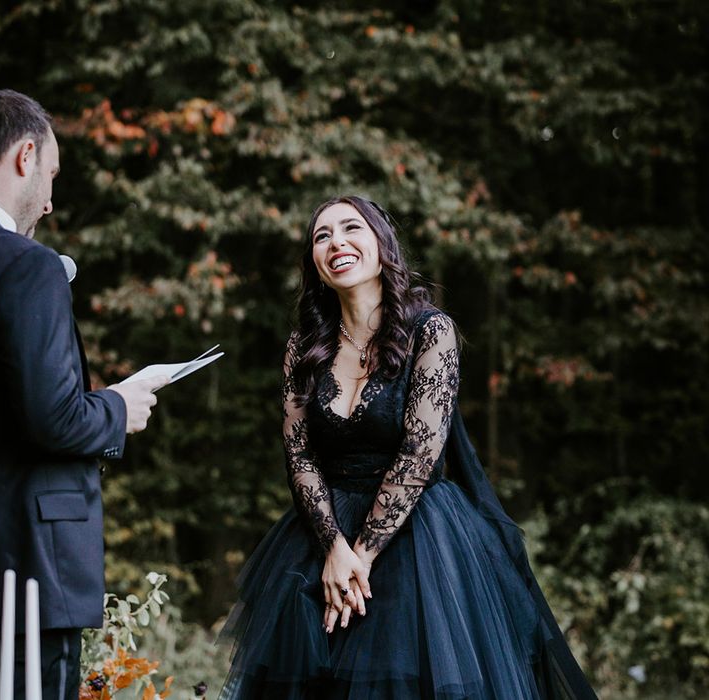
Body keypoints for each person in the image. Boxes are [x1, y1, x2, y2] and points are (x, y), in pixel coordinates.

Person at [219, 195, 598, 699]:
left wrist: (362, 558)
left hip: (419, 539)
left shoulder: (430, 331)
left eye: (351, 228)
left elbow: (420, 451)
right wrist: (334, 550)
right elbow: (299, 453)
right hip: (321, 533)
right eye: (322, 235)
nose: (337, 242)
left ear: (381, 243)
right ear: (314, 260)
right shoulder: (304, 345)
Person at [0, 90, 168, 700]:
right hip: (23, 575)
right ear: (25, 154)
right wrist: (121, 406)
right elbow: (54, 419)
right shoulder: (25, 266)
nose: (49, 200)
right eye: (51, 177)